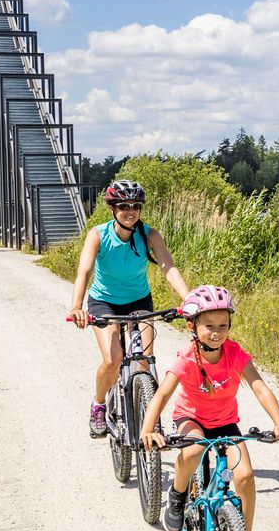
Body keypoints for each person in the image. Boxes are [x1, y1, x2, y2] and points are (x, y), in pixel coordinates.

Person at [142, 285, 279, 531]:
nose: (217, 332)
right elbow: (160, 396)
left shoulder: (234, 353)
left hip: (225, 423)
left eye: (223, 326)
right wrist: (149, 431)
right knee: (195, 449)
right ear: (192, 325)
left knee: (246, 476)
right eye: (209, 326)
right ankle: (178, 492)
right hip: (191, 419)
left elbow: (259, 386)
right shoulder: (186, 359)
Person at [67, 179, 192, 438]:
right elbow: (85, 270)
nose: (130, 210)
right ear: (113, 208)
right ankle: (99, 404)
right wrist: (77, 306)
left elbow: (167, 267)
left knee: (145, 361)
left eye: (135, 205)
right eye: (123, 205)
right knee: (112, 361)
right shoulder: (98, 234)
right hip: (105, 302)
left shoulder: (149, 234)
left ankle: (146, 417)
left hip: (138, 301)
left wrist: (189, 298)